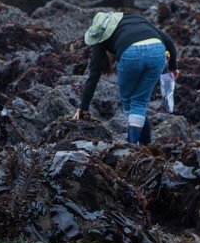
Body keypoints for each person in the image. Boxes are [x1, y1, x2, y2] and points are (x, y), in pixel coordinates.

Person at [72, 10, 178, 144]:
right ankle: (145, 145)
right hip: (157, 51)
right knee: (140, 102)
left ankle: (131, 145)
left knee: (129, 103)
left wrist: (83, 107)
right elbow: (168, 41)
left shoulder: (102, 37)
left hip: (130, 54)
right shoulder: (135, 18)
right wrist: (173, 67)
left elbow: (94, 75)